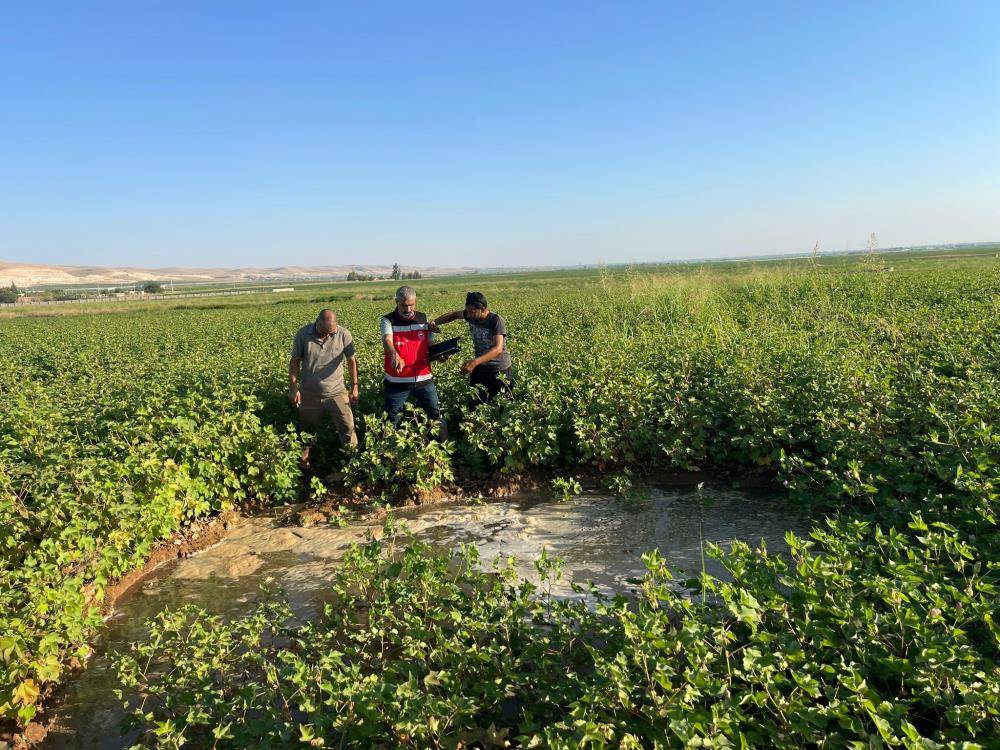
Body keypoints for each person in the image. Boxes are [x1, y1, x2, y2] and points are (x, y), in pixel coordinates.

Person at [288, 309, 359, 466]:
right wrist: (293, 388)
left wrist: (355, 386)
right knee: (306, 430)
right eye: (323, 332)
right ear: (317, 322)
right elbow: (295, 362)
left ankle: (352, 465)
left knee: (348, 428)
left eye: (331, 332)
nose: (327, 335)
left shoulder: (343, 334)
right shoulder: (303, 334)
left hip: (337, 392)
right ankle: (303, 463)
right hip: (309, 393)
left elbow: (352, 361)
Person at [381, 285, 446, 435]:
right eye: (404, 305)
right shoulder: (388, 320)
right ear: (396, 301)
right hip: (397, 381)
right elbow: (387, 340)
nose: (408, 309)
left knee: (437, 415)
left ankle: (449, 451)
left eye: (411, 305)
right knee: (390, 421)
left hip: (424, 378)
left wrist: (440, 354)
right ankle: (384, 456)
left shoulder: (423, 319)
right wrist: (394, 355)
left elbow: (430, 344)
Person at [432, 291, 514, 405]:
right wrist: (433, 322)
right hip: (480, 368)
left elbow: (498, 348)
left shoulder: (496, 321)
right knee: (475, 404)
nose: (468, 315)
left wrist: (474, 363)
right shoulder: (471, 316)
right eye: (468, 311)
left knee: (502, 406)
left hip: (499, 370)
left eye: (472, 312)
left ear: (483, 309)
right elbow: (454, 315)